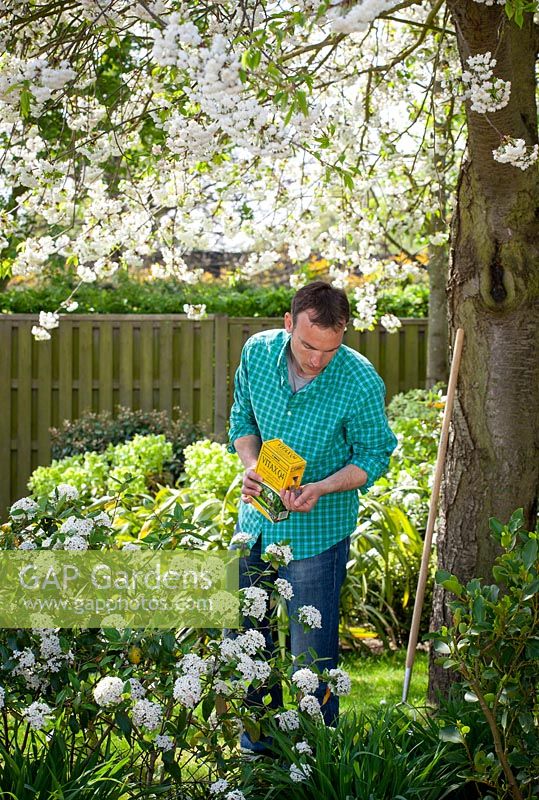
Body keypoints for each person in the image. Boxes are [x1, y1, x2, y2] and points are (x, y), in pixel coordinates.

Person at [227, 281, 397, 750]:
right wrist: (252, 467)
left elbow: (374, 455)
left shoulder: (359, 379)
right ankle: (257, 748)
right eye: (307, 345)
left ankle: (314, 753)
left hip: (318, 531)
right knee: (245, 638)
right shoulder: (257, 354)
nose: (317, 359)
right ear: (289, 324)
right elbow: (242, 420)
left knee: (310, 655)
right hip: (255, 522)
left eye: (330, 348)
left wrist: (321, 487)